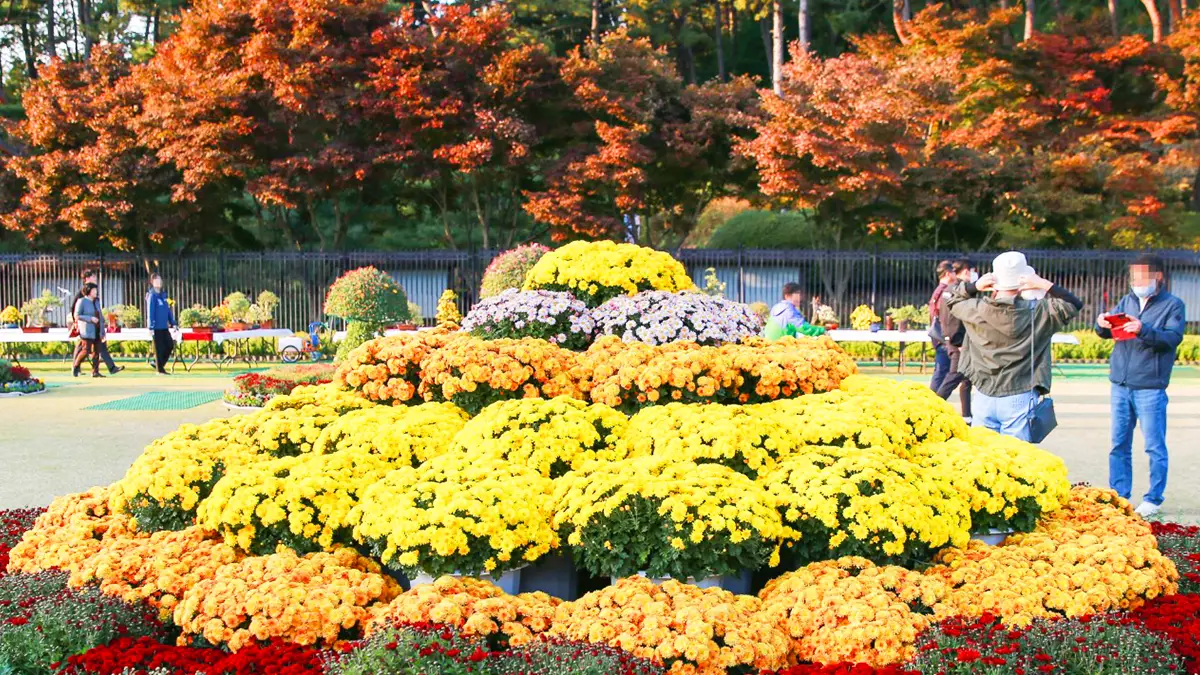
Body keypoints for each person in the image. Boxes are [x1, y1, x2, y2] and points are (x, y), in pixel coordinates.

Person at [945, 251, 1082, 441]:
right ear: (1023, 281)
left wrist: (975, 286)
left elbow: (952, 300)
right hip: (1020, 393)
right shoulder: (1040, 312)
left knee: (984, 461)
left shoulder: (976, 309)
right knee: (1017, 461)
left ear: (994, 281)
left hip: (984, 392)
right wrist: (1042, 283)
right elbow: (1073, 304)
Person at [1097, 254, 1186, 518]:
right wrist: (1101, 325)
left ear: (1157, 276)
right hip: (1121, 384)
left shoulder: (1173, 305)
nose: (1136, 281)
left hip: (1150, 386)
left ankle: (1153, 498)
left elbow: (1171, 338)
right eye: (1133, 276)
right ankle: (1119, 495)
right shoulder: (1127, 301)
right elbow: (1111, 329)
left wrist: (1142, 329)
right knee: (1118, 443)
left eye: (1142, 276)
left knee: (1154, 445)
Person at [935, 259, 975, 421]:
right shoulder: (957, 289)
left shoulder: (951, 289)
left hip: (956, 339)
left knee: (966, 378)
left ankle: (967, 415)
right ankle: (933, 406)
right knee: (955, 375)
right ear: (966, 272)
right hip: (958, 341)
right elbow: (952, 319)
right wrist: (955, 341)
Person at [69, 269, 123, 376]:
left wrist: (102, 326)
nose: (96, 279)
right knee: (84, 349)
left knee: (96, 348)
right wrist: (77, 323)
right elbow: (75, 310)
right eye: (94, 277)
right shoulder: (81, 295)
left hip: (96, 327)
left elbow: (98, 312)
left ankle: (98, 370)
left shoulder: (96, 298)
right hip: (85, 327)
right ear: (87, 279)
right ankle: (76, 366)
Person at [928, 260, 954, 394]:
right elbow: (943, 315)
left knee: (943, 371)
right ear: (948, 274)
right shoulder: (944, 292)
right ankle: (932, 400)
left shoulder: (938, 291)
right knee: (942, 372)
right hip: (943, 337)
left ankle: (933, 399)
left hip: (939, 336)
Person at [146, 274, 177, 375]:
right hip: (156, 327)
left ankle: (158, 364)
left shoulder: (163, 295)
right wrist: (150, 327)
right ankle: (159, 370)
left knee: (169, 345)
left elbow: (168, 311)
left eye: (160, 280)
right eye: (156, 280)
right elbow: (150, 312)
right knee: (159, 349)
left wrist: (173, 323)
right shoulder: (152, 295)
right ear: (152, 282)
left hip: (164, 326)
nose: (159, 282)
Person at [73, 283, 105, 378]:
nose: (96, 292)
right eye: (94, 290)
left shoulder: (96, 302)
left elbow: (100, 314)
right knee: (86, 350)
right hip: (87, 330)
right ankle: (76, 365)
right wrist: (89, 318)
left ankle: (95, 371)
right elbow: (77, 316)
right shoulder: (81, 301)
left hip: (97, 329)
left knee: (97, 351)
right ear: (89, 290)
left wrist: (103, 329)